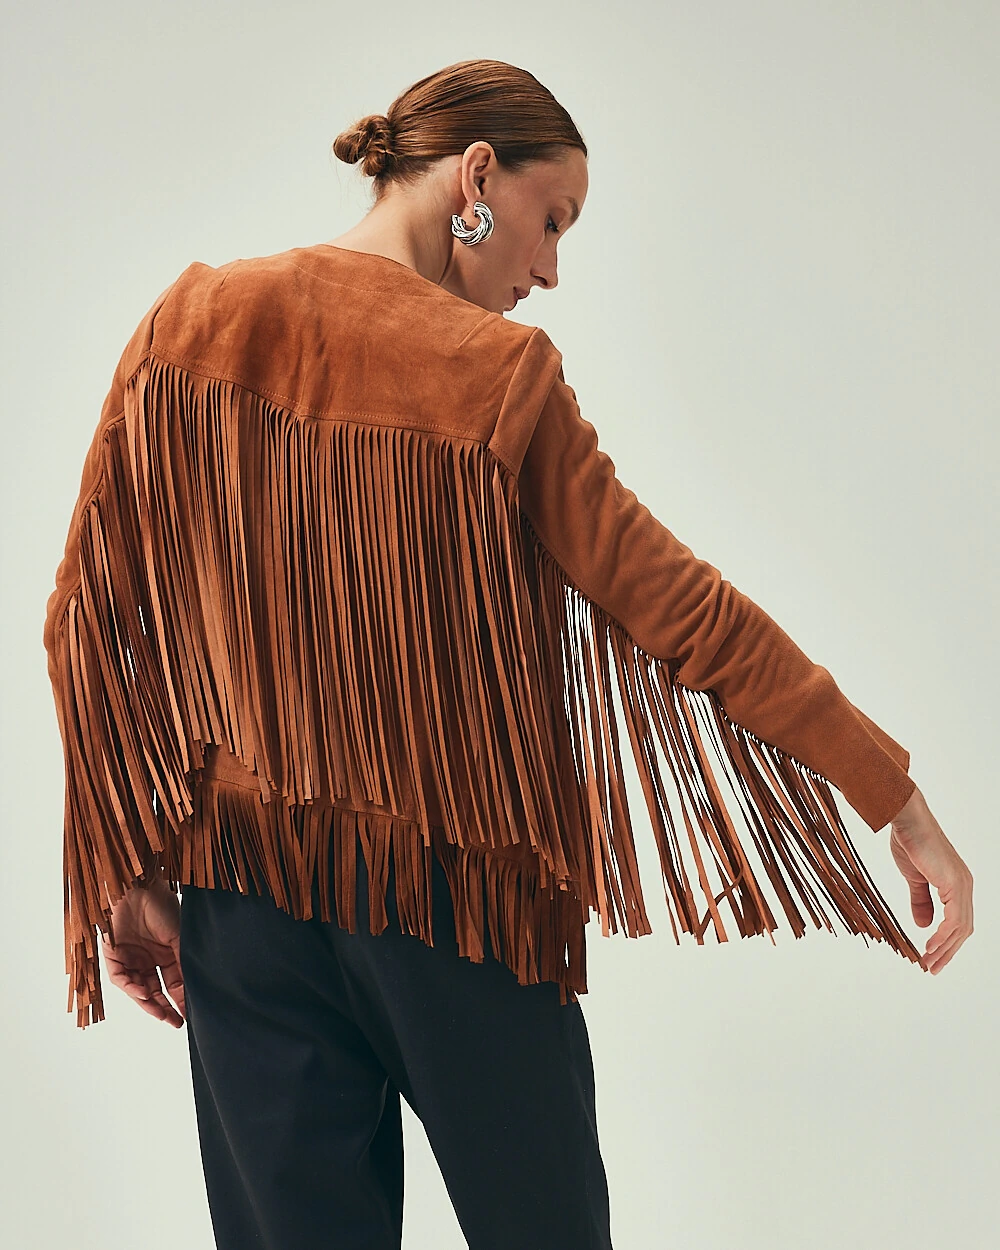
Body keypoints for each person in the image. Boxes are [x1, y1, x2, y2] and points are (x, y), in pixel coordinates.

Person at [44, 58, 973, 1250]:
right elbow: (680, 609)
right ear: (476, 176)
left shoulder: (191, 323)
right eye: (552, 220)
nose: (549, 269)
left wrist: (123, 866)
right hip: (450, 901)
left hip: (242, 901)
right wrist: (892, 796)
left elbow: (87, 614)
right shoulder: (493, 375)